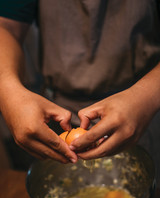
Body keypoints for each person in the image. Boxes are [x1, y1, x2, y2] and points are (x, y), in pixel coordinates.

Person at [0, 0, 160, 165]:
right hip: (55, 109)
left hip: (143, 108)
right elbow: (6, 26)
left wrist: (147, 96)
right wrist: (8, 90)